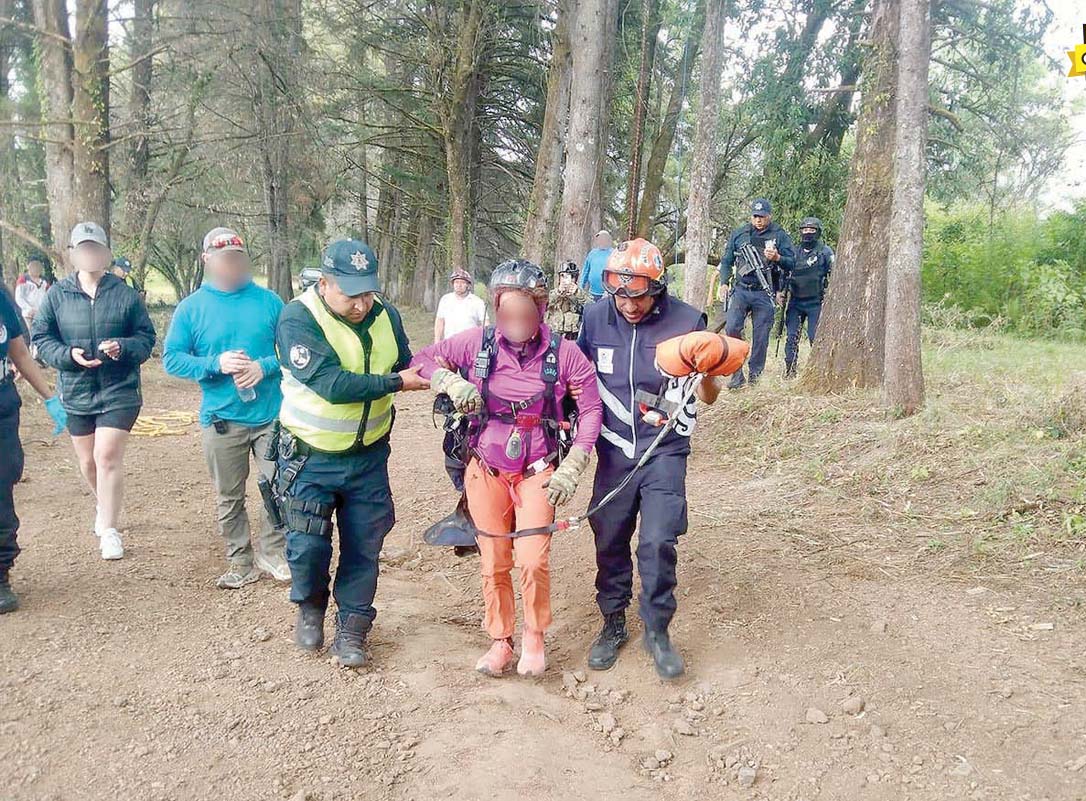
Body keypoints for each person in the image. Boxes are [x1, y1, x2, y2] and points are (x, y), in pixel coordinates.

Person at [409, 260, 602, 677]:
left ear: (542, 308)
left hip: (538, 469)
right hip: (486, 467)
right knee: (494, 559)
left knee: (532, 559)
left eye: (525, 314)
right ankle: (500, 641)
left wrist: (575, 463)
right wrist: (449, 381)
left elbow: (590, 410)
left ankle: (534, 637)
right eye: (506, 313)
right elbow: (423, 358)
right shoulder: (479, 345)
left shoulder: (565, 355)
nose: (515, 322)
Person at [576, 238, 747, 679]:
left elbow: (707, 398)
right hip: (613, 450)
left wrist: (707, 370)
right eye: (620, 295)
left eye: (639, 295)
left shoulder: (688, 320)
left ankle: (657, 629)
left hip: (664, 450)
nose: (629, 306)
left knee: (657, 541)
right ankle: (613, 622)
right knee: (609, 537)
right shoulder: (595, 318)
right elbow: (578, 380)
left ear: (658, 288)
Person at [275, 238, 425, 667]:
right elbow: (332, 385)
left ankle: (354, 625)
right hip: (309, 457)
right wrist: (398, 384)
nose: (361, 304)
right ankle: (310, 607)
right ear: (325, 283)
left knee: (365, 542)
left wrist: (442, 373)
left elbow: (404, 362)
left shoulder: (386, 316)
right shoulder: (298, 319)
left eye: (367, 292)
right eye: (350, 293)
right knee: (307, 546)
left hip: (369, 456)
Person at [163, 227, 290, 589]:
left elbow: (291, 353)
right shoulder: (191, 309)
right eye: (225, 260)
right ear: (208, 261)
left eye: (238, 258)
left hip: (271, 416)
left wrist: (262, 367)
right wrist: (215, 363)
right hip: (222, 420)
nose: (233, 266)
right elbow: (171, 360)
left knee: (279, 485)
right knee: (229, 495)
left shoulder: (269, 302)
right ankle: (240, 561)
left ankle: (272, 550)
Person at [31, 222, 156, 562]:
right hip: (76, 390)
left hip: (119, 389)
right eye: (83, 249)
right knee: (88, 462)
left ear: (105, 253)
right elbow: (41, 338)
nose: (90, 255)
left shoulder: (125, 295)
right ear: (72, 255)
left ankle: (111, 530)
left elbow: (146, 340)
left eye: (95, 248)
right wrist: (66, 356)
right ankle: (104, 505)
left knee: (106, 456)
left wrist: (123, 348)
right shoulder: (57, 295)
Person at [0, 284, 68, 613]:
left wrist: (50, 396)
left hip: (2, 409)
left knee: (2, 487)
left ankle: (0, 576)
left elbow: (20, 353)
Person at [717, 199, 795, 388]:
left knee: (761, 336)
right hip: (741, 289)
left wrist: (777, 258)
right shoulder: (740, 234)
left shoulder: (779, 235)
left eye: (762, 217)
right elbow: (727, 260)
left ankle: (755, 376)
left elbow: (792, 262)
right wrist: (723, 283)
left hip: (764, 292)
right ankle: (736, 374)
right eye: (755, 216)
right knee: (732, 329)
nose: (758, 220)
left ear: (770, 216)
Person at [782, 216, 835, 376]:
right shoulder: (794, 252)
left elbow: (835, 273)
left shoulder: (826, 252)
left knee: (815, 337)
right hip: (795, 302)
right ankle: (790, 371)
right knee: (791, 338)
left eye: (812, 230)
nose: (808, 233)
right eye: (805, 230)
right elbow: (784, 273)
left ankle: (818, 372)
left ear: (818, 232)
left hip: (816, 303)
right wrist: (781, 291)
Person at [434, 269, 488, 343]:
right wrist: (437, 342)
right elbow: (440, 322)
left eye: (462, 282)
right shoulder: (445, 300)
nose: (459, 285)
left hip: (470, 345)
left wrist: (484, 342)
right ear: (453, 284)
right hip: (449, 344)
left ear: (468, 285)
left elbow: (485, 324)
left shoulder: (477, 302)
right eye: (456, 282)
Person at [546, 261, 588, 340]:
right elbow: (545, 304)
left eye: (571, 276)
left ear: (575, 278)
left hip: (573, 336)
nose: (565, 280)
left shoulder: (581, 294)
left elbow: (591, 307)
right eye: (563, 276)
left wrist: (577, 293)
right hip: (554, 333)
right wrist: (558, 292)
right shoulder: (553, 293)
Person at [14, 258, 50, 332]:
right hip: (29, 314)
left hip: (42, 313)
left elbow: (49, 296)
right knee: (31, 335)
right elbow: (19, 297)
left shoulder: (44, 281)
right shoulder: (23, 280)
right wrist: (29, 309)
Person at [578, 229, 614, 301]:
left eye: (604, 238)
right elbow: (586, 271)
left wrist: (610, 290)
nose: (601, 240)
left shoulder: (613, 253)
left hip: (608, 294)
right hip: (592, 294)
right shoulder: (592, 253)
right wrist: (580, 287)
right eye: (599, 238)